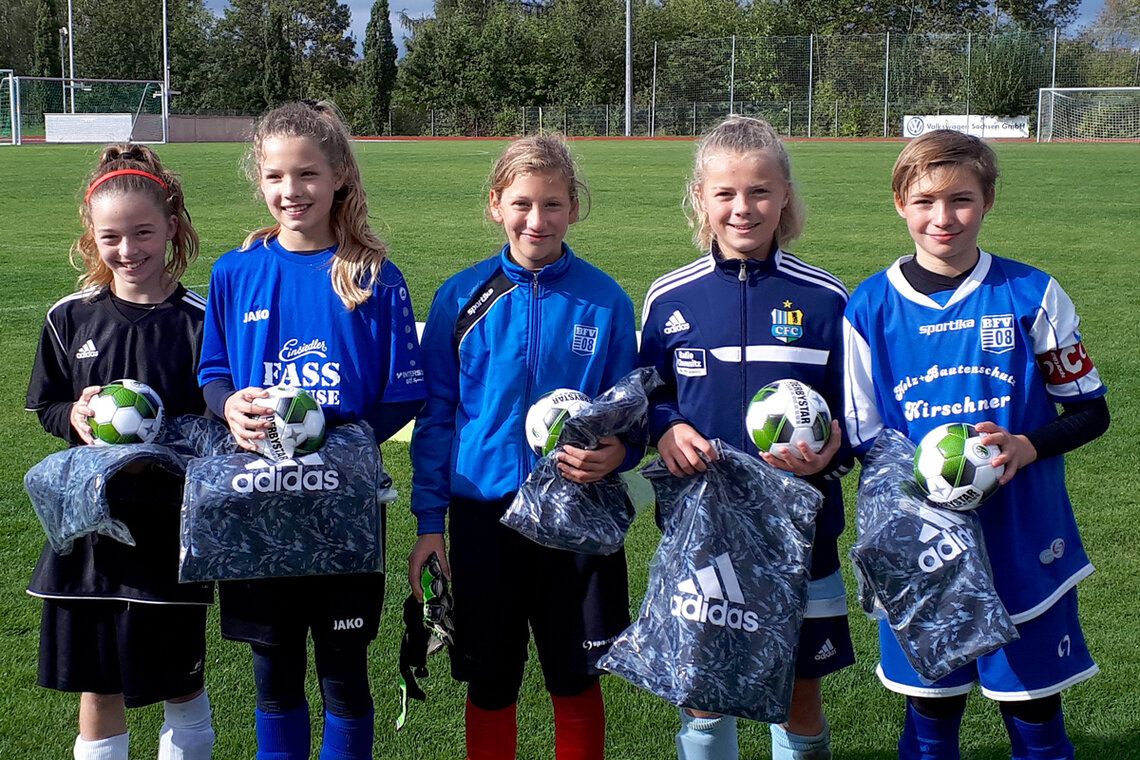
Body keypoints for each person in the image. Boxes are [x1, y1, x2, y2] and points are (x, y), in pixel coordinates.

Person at [843, 129, 1110, 760]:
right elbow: (864, 436)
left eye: (961, 199)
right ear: (900, 205)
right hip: (922, 551)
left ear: (987, 201)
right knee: (931, 720)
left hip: (1021, 540)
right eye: (925, 201)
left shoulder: (1032, 294)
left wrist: (1025, 447)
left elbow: (1090, 412)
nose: (943, 218)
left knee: (1036, 716)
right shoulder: (870, 307)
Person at [197, 100, 425, 760]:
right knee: (273, 675)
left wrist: (338, 441)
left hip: (341, 506)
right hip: (259, 499)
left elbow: (404, 393)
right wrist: (228, 407)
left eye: (306, 175)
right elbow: (214, 372)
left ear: (339, 178)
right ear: (259, 180)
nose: (290, 191)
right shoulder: (235, 273)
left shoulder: (373, 277)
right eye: (274, 176)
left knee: (344, 674)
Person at [409, 135, 639, 760]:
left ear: (574, 207)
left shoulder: (606, 300)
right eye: (522, 204)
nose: (537, 220)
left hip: (578, 515)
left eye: (553, 205)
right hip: (485, 515)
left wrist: (618, 454)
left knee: (576, 676)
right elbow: (437, 417)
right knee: (490, 679)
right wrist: (431, 524)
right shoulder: (461, 297)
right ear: (495, 205)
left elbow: (631, 416)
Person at [638, 116, 855, 760]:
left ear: (784, 195)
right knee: (705, 692)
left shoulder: (824, 298)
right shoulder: (668, 297)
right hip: (702, 533)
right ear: (700, 199)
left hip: (801, 530)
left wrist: (831, 453)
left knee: (798, 696)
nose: (743, 207)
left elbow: (856, 416)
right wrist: (667, 426)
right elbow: (649, 395)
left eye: (760, 191)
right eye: (726, 193)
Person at [25, 144, 215, 760]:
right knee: (98, 680)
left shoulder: (200, 321)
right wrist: (76, 416)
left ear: (172, 229)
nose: (128, 250)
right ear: (91, 239)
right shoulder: (68, 318)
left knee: (180, 680)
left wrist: (165, 438)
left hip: (168, 528)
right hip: (88, 536)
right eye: (111, 237)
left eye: (143, 233)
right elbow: (48, 405)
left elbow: (215, 418)